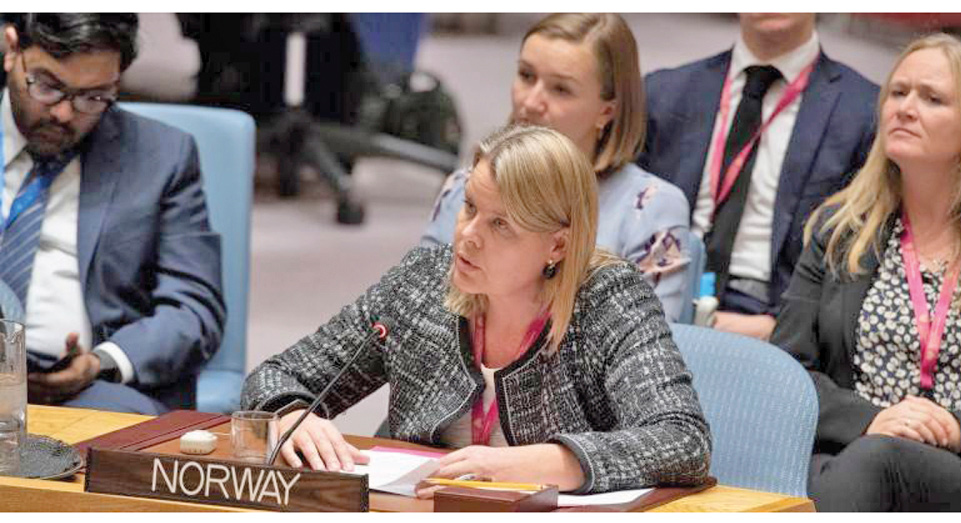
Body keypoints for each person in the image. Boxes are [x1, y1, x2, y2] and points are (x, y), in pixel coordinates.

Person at [242, 124, 711, 496]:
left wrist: (553, 461)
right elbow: (276, 376)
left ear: (558, 244)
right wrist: (290, 414)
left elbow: (683, 440)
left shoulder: (610, 299)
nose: (468, 235)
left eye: (501, 224)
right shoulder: (422, 282)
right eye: (469, 207)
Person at [771, 34, 961, 511]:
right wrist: (871, 418)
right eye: (898, 93)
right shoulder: (839, 233)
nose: (905, 108)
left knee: (872, 463)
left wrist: (959, 427)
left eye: (932, 98)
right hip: (850, 450)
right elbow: (786, 369)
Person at [0, 14, 225, 414]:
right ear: (12, 48)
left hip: (89, 394)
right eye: (48, 86)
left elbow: (193, 311)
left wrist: (100, 362)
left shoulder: (163, 157)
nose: (65, 114)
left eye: (93, 97)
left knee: (122, 448)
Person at [422, 14, 691, 323]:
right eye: (526, 75)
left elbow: (646, 351)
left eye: (560, 89)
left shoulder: (650, 209)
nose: (531, 101)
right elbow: (417, 307)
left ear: (607, 111)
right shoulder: (465, 187)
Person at [640, 14, 878, 338]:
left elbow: (861, 252)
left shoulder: (865, 112)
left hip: (777, 319)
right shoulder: (663, 93)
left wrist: (781, 326)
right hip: (660, 302)